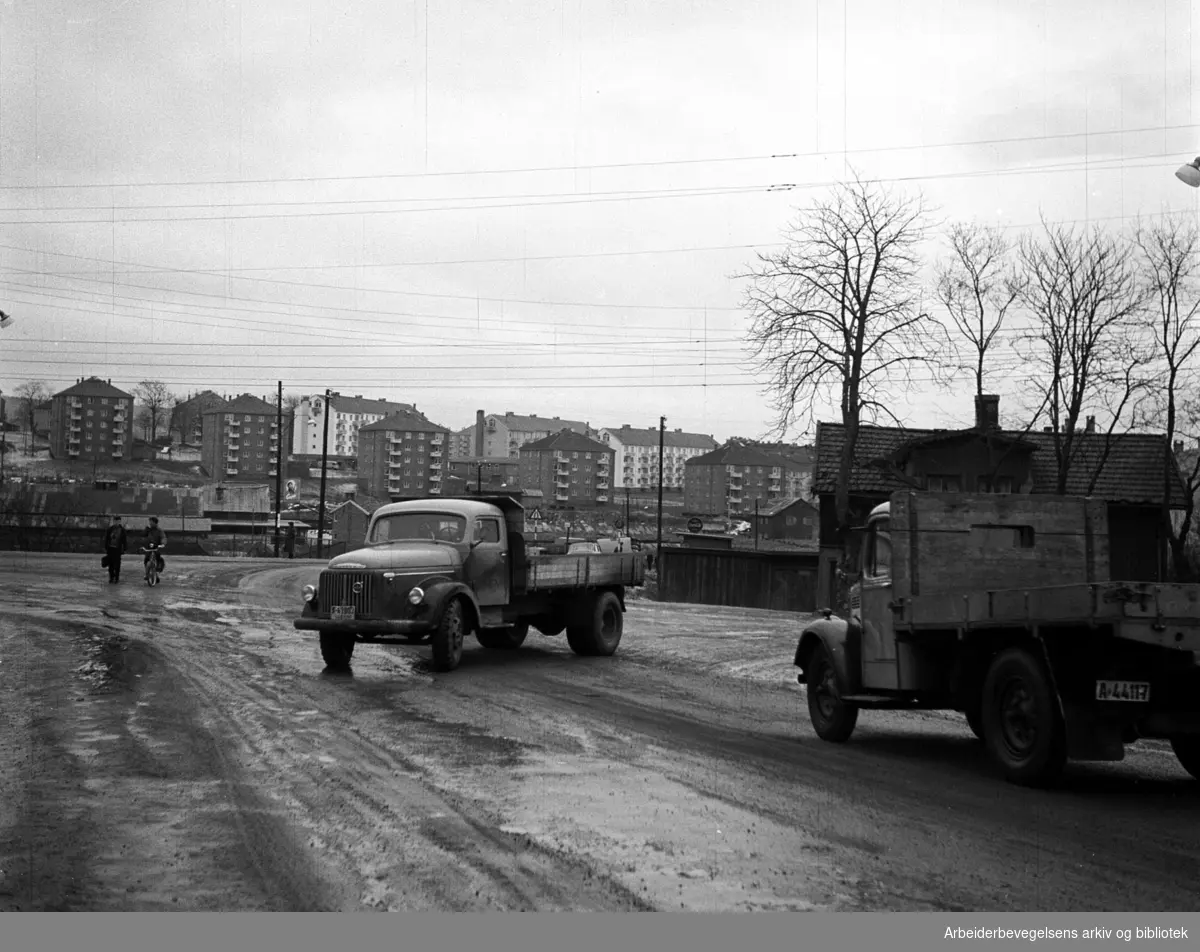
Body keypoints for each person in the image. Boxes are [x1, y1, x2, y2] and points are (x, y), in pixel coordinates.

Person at [103, 514, 128, 583]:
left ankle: (116, 577)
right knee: (110, 564)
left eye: (118, 521)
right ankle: (111, 577)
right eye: (115, 521)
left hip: (118, 549)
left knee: (117, 564)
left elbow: (124, 540)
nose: (116, 523)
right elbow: (107, 538)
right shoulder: (110, 529)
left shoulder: (122, 530)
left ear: (120, 522)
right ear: (113, 521)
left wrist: (125, 548)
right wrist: (106, 547)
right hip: (110, 549)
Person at [142, 516, 167, 580]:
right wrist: (146, 529)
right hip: (148, 548)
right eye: (149, 522)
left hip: (156, 548)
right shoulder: (148, 529)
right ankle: (147, 574)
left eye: (151, 522)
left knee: (157, 560)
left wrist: (162, 544)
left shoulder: (159, 530)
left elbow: (163, 537)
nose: (150, 523)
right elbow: (143, 534)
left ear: (155, 523)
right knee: (146, 560)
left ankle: (156, 573)